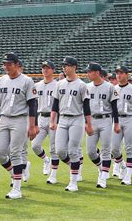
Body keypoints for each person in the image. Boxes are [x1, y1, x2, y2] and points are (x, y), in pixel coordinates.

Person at [0, 52, 37, 199]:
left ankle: (17, 189)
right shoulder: (1, 80)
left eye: (9, 64)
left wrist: (32, 125)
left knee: (15, 152)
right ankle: (16, 174)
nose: (6, 66)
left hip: (20, 119)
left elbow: (32, 104)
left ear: (16, 64)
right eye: (4, 64)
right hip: (4, 118)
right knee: (0, 154)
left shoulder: (27, 81)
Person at [50, 56, 93, 192]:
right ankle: (75, 167)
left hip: (76, 118)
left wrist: (89, 124)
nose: (64, 67)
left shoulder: (81, 85)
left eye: (67, 65)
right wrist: (52, 120)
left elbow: (86, 107)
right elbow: (55, 104)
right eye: (63, 65)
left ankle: (73, 182)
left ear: (74, 67)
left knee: (73, 150)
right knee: (60, 151)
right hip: (62, 119)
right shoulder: (59, 84)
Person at [85, 62, 120, 188]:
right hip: (92, 120)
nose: (88, 74)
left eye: (90, 71)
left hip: (106, 119)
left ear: (97, 73)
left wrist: (116, 123)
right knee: (90, 151)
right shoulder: (87, 87)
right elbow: (85, 107)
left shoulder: (110, 87)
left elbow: (115, 107)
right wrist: (86, 122)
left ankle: (103, 178)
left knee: (105, 150)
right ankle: (101, 168)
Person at [32, 60, 58, 183]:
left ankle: (53, 175)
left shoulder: (57, 85)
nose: (45, 70)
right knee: (35, 145)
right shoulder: (37, 85)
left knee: (54, 148)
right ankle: (46, 160)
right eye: (43, 68)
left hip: (54, 118)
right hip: (41, 116)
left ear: (53, 70)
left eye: (48, 68)